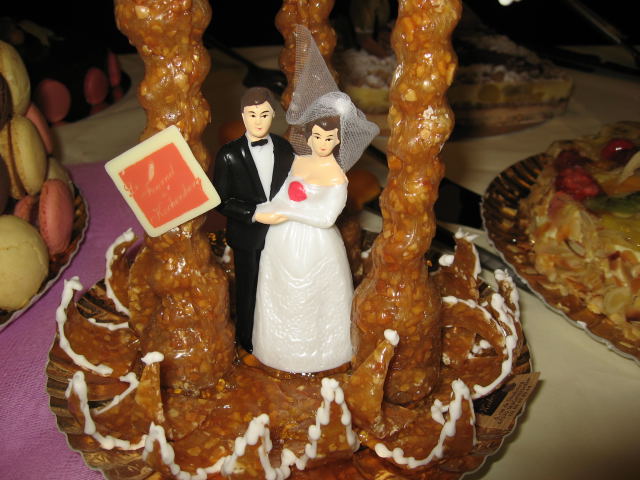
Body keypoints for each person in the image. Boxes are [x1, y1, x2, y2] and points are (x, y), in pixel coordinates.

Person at [250, 26, 379, 373]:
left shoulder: (336, 176)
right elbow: (281, 192)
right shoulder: (298, 163)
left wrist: (289, 210)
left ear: (338, 141)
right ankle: (275, 353)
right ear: (308, 136)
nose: (322, 143)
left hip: (316, 245)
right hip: (282, 241)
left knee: (314, 298)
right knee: (279, 294)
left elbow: (325, 216)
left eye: (329, 138)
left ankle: (325, 356)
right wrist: (266, 210)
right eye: (317, 136)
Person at [212, 87, 295, 353]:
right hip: (248, 236)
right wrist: (254, 213)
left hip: (284, 232)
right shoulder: (228, 154)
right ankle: (247, 340)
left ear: (273, 115)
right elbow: (220, 200)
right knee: (249, 290)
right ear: (242, 116)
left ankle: (279, 335)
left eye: (264, 114)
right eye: (252, 115)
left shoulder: (285, 148)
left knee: (282, 286)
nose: (258, 121)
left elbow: (292, 185)